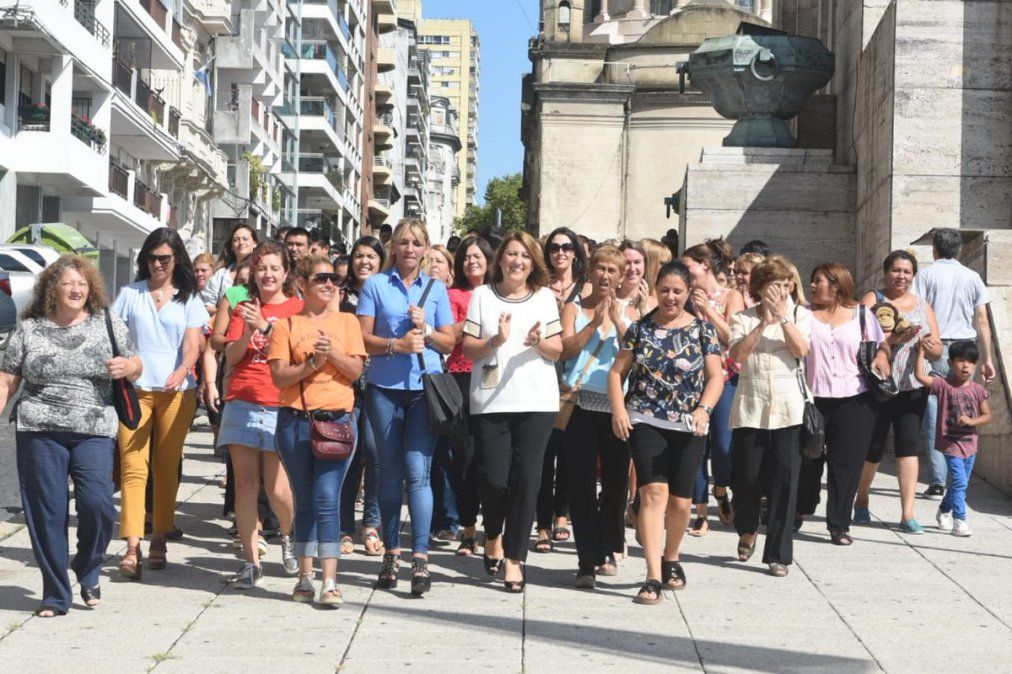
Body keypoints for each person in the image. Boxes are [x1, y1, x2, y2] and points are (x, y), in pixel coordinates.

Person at [0, 256, 142, 617]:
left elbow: (135, 364)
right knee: (47, 512)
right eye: (68, 283)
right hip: (39, 428)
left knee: (97, 505)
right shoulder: (29, 329)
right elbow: (7, 380)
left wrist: (128, 367)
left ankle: (88, 566)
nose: (77, 289)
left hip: (94, 427)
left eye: (82, 283)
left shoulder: (107, 322)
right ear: (52, 289)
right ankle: (55, 594)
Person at [609, 261, 723, 604]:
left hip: (689, 424)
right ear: (655, 290)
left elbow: (716, 376)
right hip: (645, 418)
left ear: (688, 293)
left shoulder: (703, 330)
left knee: (681, 502)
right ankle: (652, 576)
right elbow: (617, 373)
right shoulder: (640, 329)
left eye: (677, 291)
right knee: (654, 492)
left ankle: (671, 556)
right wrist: (618, 411)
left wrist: (704, 409)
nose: (670, 297)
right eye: (665, 291)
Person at [357, 219, 456, 596]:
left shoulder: (436, 289)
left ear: (427, 247)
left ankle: (420, 558)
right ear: (393, 247)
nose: (410, 249)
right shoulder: (376, 285)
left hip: (422, 391)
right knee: (388, 473)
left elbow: (448, 342)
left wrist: (427, 329)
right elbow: (362, 338)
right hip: (384, 388)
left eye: (417, 243)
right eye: (403, 242)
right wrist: (394, 346)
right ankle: (390, 553)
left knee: (418, 472)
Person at [462, 231, 563, 592]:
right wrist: (496, 341)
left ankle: (515, 558)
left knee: (527, 480)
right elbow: (468, 349)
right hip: (491, 403)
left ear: (533, 262)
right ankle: (492, 533)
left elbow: (557, 349)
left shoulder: (545, 298)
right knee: (492, 478)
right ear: (500, 260)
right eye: (511, 254)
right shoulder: (482, 297)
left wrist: (539, 343)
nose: (517, 261)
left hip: (537, 402)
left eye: (524, 255)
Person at [269, 255, 366, 605]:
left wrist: (333, 353)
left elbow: (355, 371)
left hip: (337, 422)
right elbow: (279, 377)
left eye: (334, 279)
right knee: (304, 499)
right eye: (321, 278)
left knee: (328, 499)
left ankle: (330, 581)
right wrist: (311, 363)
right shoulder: (285, 326)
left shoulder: (348, 322)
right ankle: (305, 577)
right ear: (302, 284)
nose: (329, 284)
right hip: (296, 421)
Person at [113, 228, 209, 578]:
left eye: (164, 258)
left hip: (176, 393)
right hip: (134, 391)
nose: (157, 264)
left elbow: (193, 344)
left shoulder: (190, 299)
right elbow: (116, 338)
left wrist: (183, 368)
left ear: (176, 260)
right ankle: (132, 545)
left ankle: (159, 536)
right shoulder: (129, 294)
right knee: (132, 467)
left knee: (166, 467)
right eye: (152, 257)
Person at [220, 241, 303, 588]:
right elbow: (233, 355)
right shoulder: (243, 307)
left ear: (285, 273)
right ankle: (251, 561)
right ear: (253, 272)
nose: (267, 274)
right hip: (242, 399)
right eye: (261, 267)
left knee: (277, 489)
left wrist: (268, 329)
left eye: (274, 268)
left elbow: (299, 355)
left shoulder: (298, 309)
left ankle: (288, 534)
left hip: (279, 403)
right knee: (245, 486)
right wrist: (250, 328)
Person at [728, 257, 811, 577]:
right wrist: (764, 322)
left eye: (785, 284)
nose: (781, 291)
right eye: (773, 285)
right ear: (760, 289)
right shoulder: (742, 319)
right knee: (746, 478)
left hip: (789, 409)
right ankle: (747, 527)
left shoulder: (801, 315)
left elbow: (802, 350)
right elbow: (737, 355)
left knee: (784, 483)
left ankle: (778, 555)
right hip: (750, 407)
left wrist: (784, 320)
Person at [797, 262, 890, 546]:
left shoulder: (862, 315)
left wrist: (883, 356)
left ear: (837, 286)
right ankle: (800, 508)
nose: (812, 286)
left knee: (846, 464)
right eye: (812, 281)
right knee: (807, 460)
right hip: (813, 399)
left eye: (819, 281)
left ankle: (839, 525)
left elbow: (882, 343)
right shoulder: (802, 315)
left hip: (856, 400)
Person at [561, 246, 636, 587]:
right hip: (578, 406)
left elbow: (636, 357)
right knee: (579, 484)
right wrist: (593, 323)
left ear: (621, 277)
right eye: (600, 268)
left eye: (612, 271)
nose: (606, 276)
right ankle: (586, 560)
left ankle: (608, 546)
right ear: (590, 271)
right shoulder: (573, 308)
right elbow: (566, 349)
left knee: (617, 484)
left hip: (616, 408)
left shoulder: (633, 314)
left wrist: (618, 321)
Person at [854, 251, 942, 532]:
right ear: (885, 272)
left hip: (912, 388)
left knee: (908, 448)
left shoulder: (923, 306)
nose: (901, 276)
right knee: (873, 449)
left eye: (906, 271)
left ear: (913, 275)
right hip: (878, 387)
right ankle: (862, 498)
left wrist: (931, 347)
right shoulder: (872, 300)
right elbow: (857, 338)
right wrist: (893, 339)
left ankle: (907, 515)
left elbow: (938, 349)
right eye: (896, 270)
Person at [913, 228, 995, 498]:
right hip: (967, 348)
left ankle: (938, 481)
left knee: (937, 409)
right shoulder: (972, 277)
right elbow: (982, 320)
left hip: (937, 344)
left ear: (934, 249)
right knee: (966, 407)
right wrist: (987, 359)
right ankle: (960, 471)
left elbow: (917, 313)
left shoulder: (926, 275)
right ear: (959, 250)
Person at [682, 240, 744, 536]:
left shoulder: (731, 296)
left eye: (688, 265)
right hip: (691, 380)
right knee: (696, 446)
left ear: (704, 265)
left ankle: (721, 489)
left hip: (725, 378)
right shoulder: (681, 297)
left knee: (722, 445)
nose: (684, 270)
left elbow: (733, 336)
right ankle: (701, 512)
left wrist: (708, 309)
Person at [537, 226, 589, 548]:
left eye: (567, 247)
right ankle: (542, 522)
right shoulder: (539, 286)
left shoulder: (586, 288)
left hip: (576, 378)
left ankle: (561, 514)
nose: (560, 252)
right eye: (554, 247)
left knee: (570, 452)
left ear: (575, 252)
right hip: (543, 375)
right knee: (543, 454)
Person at [445, 235, 494, 556]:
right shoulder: (453, 294)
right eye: (465, 257)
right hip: (460, 377)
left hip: (493, 377)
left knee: (491, 459)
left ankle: (493, 530)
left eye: (477, 256)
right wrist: (476, 316)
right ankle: (467, 528)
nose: (471, 261)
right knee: (463, 457)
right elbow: (449, 337)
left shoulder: (498, 293)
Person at [338, 237, 386, 556]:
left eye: (370, 256)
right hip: (345, 382)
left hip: (381, 380)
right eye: (359, 256)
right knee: (347, 453)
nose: (364, 261)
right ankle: (343, 527)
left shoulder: (387, 293)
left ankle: (371, 524)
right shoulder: (340, 295)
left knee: (376, 452)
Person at [913, 341, 990, 537]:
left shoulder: (978, 390)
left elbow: (987, 415)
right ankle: (960, 520)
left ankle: (943, 511)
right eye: (961, 361)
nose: (966, 366)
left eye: (971, 362)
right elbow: (920, 376)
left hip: (970, 445)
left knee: (958, 484)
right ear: (950, 362)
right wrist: (921, 353)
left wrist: (972, 421)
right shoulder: (943, 386)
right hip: (950, 444)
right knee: (960, 483)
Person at [426, 242, 459, 542]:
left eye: (440, 261)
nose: (433, 264)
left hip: (445, 382)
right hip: (419, 378)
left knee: (443, 454)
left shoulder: (448, 298)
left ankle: (448, 517)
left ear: (450, 272)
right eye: (429, 260)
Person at [206, 223, 258, 311]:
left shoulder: (261, 272)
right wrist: (228, 313)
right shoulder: (220, 274)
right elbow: (208, 305)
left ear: (255, 243)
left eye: (245, 239)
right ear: (231, 247)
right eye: (236, 240)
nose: (241, 243)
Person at [617, 240, 657, 316]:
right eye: (627, 263)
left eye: (637, 262)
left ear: (645, 264)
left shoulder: (654, 304)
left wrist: (643, 310)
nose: (632, 268)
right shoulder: (608, 301)